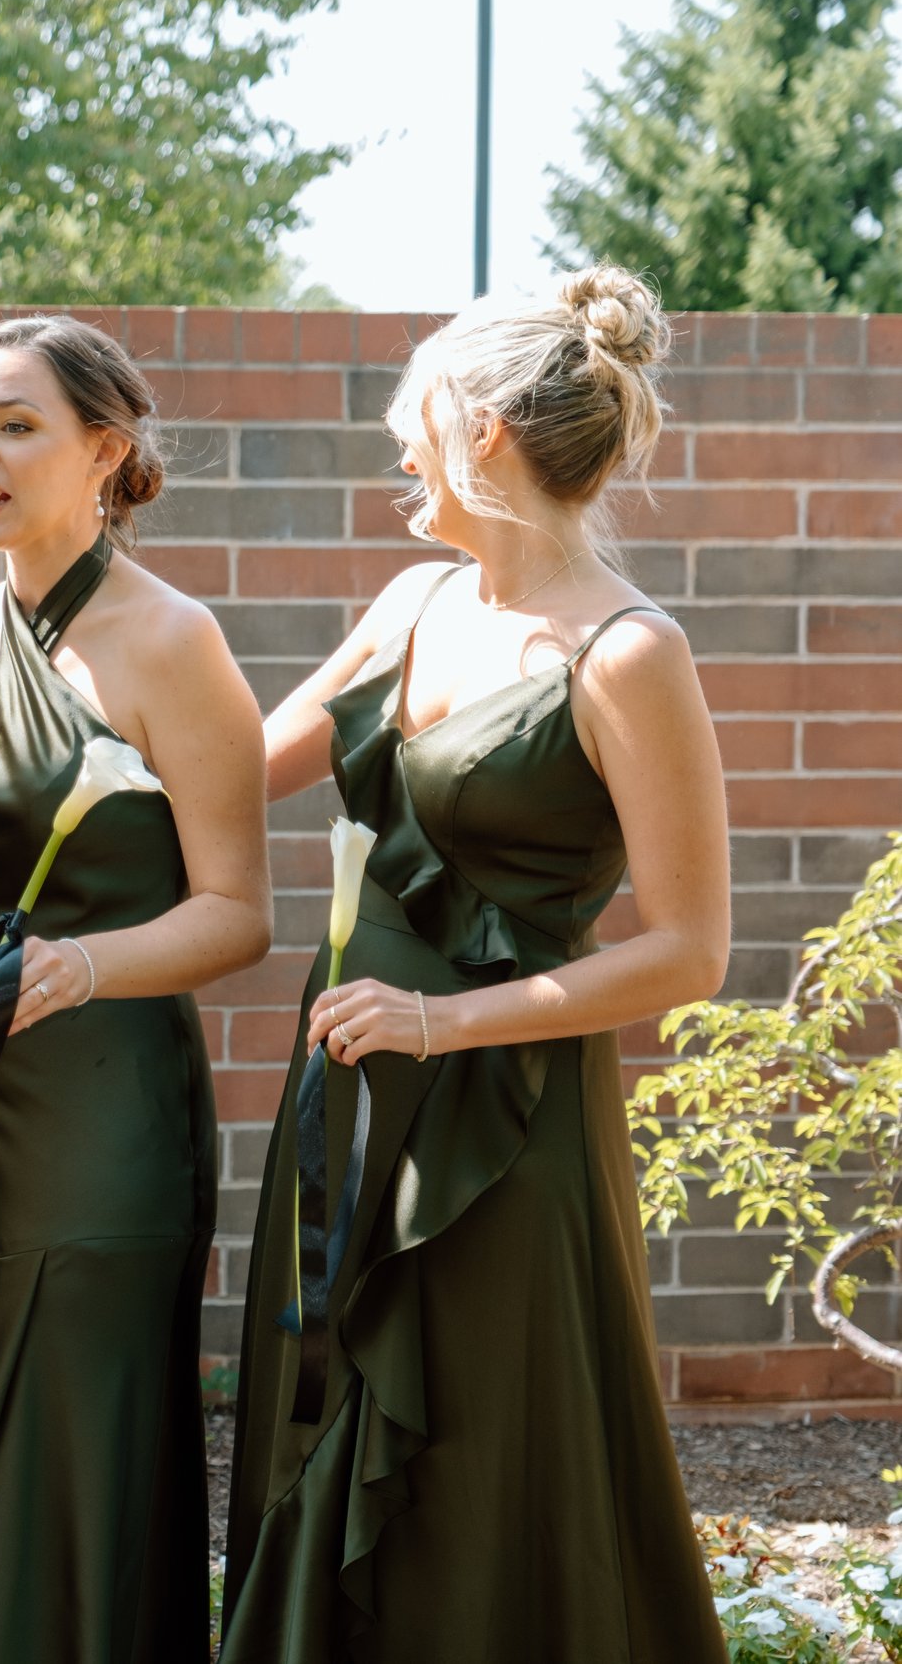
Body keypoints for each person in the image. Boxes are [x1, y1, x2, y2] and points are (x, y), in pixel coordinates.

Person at [220, 267, 730, 1663]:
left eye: (412, 413)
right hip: (353, 1090)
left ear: (482, 427)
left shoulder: (628, 652)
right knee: (326, 1430)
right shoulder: (408, 602)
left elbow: (691, 951)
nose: (396, 443)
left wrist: (445, 1028)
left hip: (507, 1135)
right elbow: (233, 775)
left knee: (490, 1464)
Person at [0, 316, 270, 1664]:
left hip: (110, 1126)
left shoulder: (175, 643)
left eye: (13, 425)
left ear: (106, 450)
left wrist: (87, 965)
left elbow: (238, 913)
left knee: (73, 1455)